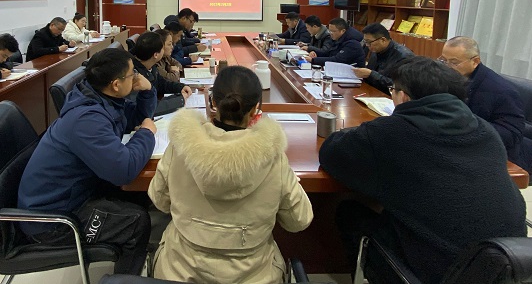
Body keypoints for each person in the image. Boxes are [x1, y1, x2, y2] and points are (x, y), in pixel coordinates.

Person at [319, 56, 526, 284]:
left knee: (349, 211)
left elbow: (331, 154)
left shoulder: (390, 132)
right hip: (507, 265)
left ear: (403, 97)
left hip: (442, 273)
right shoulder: (485, 129)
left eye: (393, 90)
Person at [148, 65, 313, 284]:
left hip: (179, 273)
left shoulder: (181, 146)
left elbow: (160, 200)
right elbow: (298, 220)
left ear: (213, 102)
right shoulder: (273, 157)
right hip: (255, 276)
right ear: (255, 110)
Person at [17, 47, 157, 275]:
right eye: (132, 74)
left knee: (141, 196)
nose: (136, 78)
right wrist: (146, 134)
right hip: (52, 220)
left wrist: (147, 92)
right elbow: (124, 171)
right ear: (116, 84)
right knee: (136, 222)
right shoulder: (87, 119)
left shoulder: (101, 97)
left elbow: (138, 118)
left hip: (72, 194)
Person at [440, 36, 532, 171]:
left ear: (475, 61)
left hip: (496, 154)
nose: (447, 67)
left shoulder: (501, 91)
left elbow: (512, 134)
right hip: (461, 144)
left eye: (454, 62)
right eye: (444, 60)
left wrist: (468, 124)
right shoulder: (452, 78)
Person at [352, 23, 414, 95]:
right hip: (372, 92)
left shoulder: (404, 56)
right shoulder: (376, 50)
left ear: (383, 40)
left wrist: (371, 74)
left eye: (369, 42)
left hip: (391, 97)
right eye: (365, 42)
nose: (367, 45)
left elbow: (401, 87)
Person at [131, 31, 191, 101]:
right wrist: (179, 100)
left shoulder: (151, 66)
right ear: (156, 55)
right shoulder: (136, 76)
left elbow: (162, 84)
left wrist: (181, 87)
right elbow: (149, 105)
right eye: (162, 48)